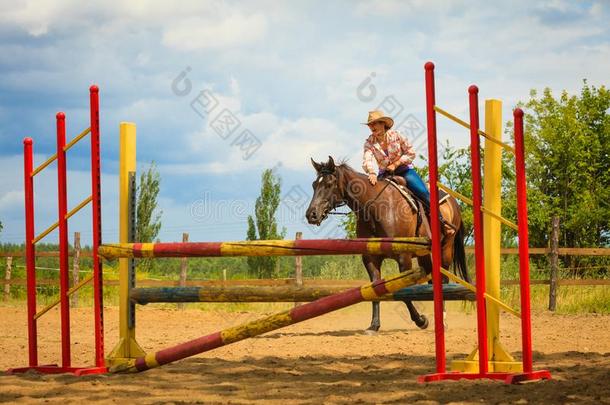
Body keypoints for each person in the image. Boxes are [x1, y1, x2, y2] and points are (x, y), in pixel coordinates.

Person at [361, 110, 455, 236]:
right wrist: (371, 172)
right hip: (384, 174)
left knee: (423, 192)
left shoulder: (397, 135)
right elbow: (367, 159)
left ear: (383, 123)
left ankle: (442, 223)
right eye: (370, 125)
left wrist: (396, 163)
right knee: (372, 197)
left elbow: (411, 153)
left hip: (404, 170)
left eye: (375, 123)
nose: (372, 127)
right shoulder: (369, 143)